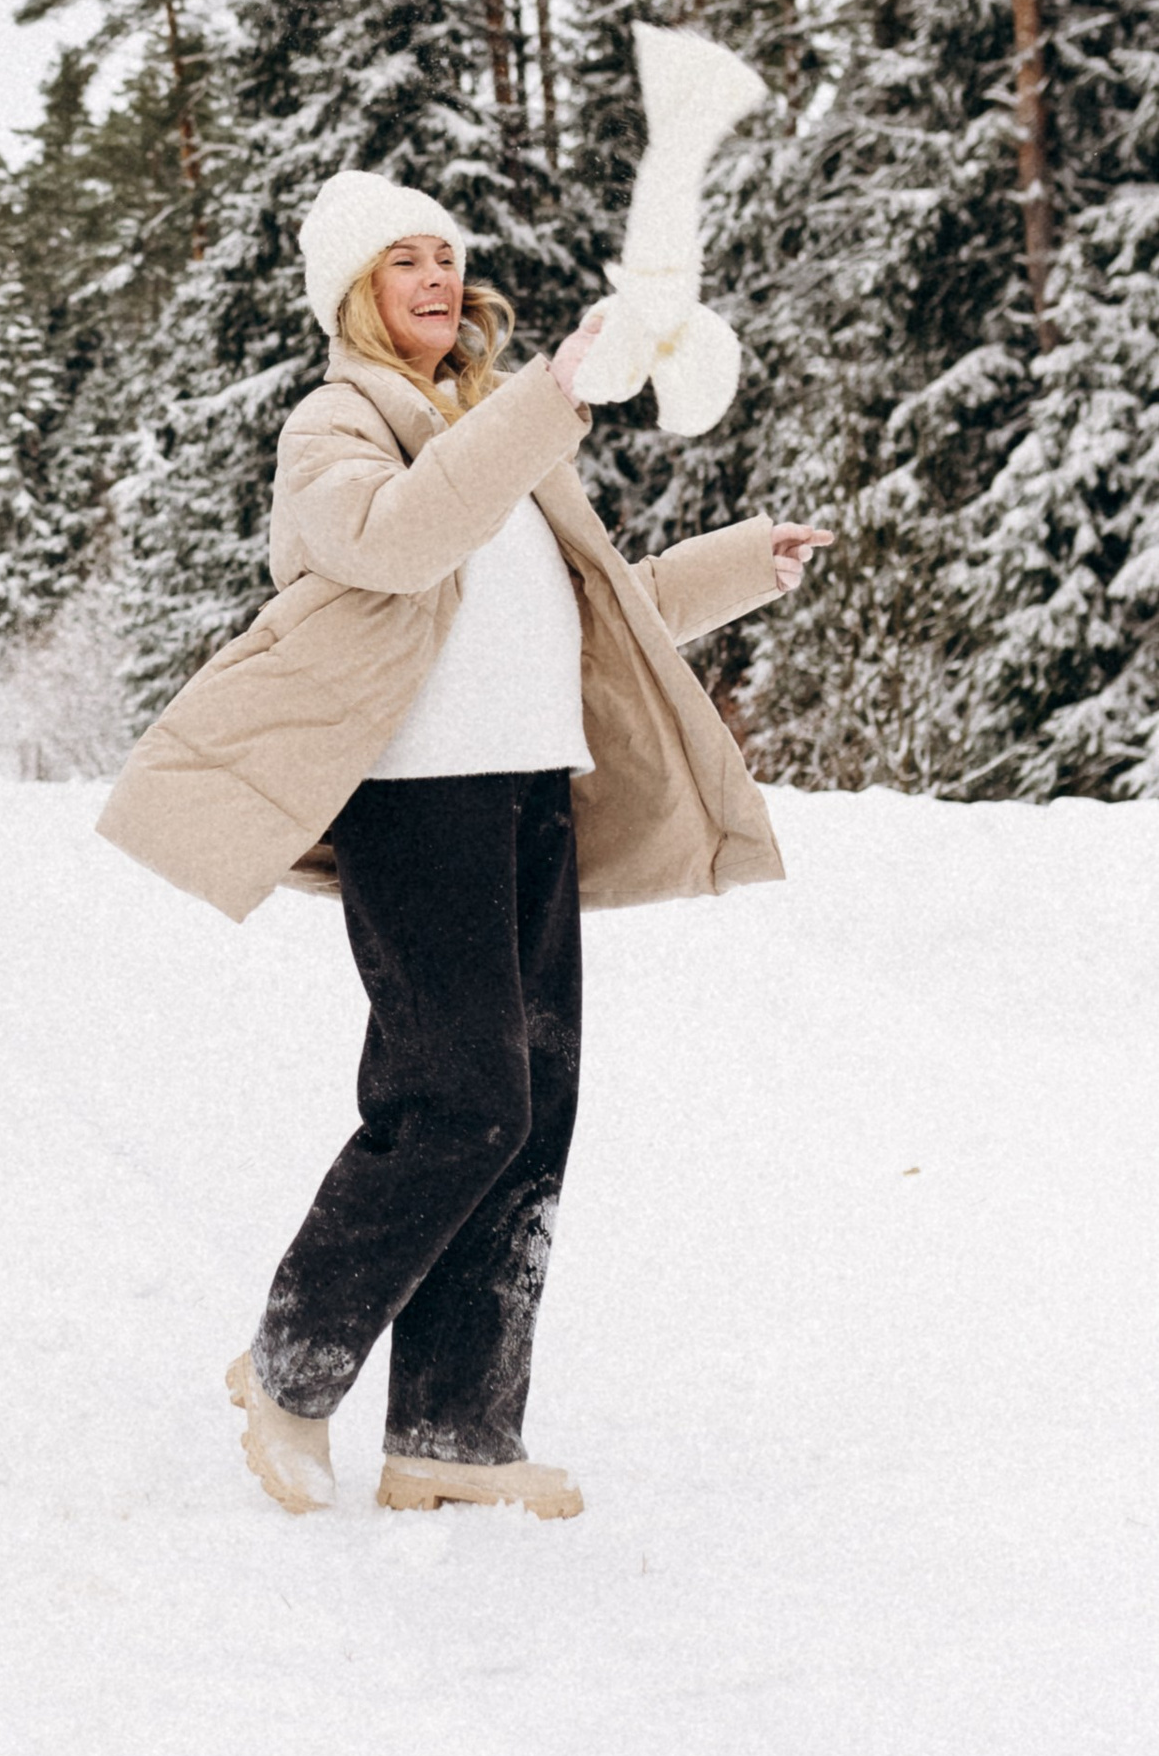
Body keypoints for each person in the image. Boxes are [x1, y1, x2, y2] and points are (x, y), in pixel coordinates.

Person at [94, 170, 833, 1520]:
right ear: (352, 297)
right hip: (417, 803)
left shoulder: (477, 434)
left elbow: (592, 617)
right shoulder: (338, 427)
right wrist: (549, 400)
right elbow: (389, 544)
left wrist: (740, 565)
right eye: (401, 262)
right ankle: (289, 1365)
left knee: (532, 1113)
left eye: (447, 256)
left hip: (529, 796)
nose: (437, 278)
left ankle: (455, 1433)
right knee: (458, 1102)